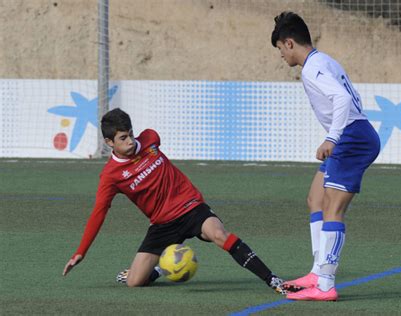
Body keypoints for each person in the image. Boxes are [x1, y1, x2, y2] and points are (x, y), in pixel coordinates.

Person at [62, 108, 291, 294]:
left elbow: (147, 141)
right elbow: (99, 213)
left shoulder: (150, 139)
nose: (130, 141)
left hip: (190, 206)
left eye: (131, 134)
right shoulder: (111, 176)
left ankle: (273, 280)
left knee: (219, 234)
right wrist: (81, 251)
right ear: (109, 142)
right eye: (123, 138)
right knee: (134, 281)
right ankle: (162, 268)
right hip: (162, 224)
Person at [271, 12, 380, 301]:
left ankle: (326, 284)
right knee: (316, 199)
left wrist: (332, 137)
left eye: (281, 49)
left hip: (353, 138)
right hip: (352, 135)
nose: (282, 56)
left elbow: (342, 99)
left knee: (333, 209)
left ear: (289, 43)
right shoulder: (323, 60)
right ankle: (317, 272)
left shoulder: (312, 68)